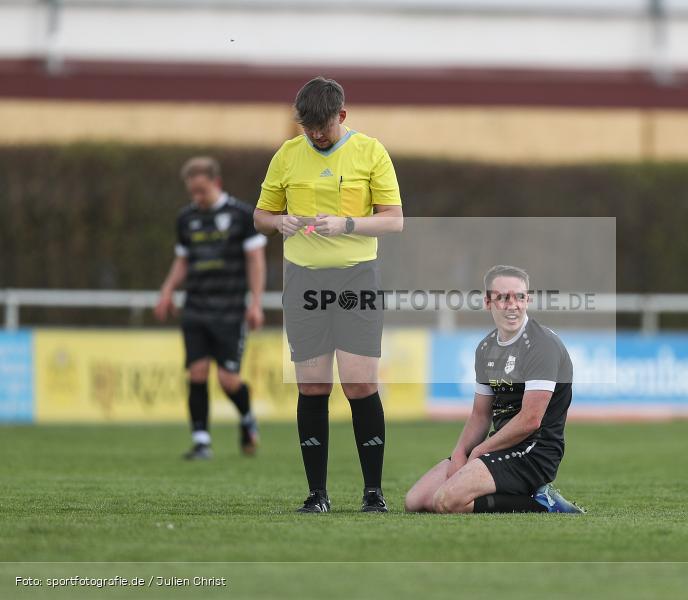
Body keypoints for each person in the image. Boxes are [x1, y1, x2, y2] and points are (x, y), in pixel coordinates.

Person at [253, 76, 403, 513]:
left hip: (357, 280)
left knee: (359, 383)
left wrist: (348, 224)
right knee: (313, 385)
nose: (315, 135)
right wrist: (276, 223)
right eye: (307, 127)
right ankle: (317, 494)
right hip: (304, 282)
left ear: (342, 116)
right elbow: (261, 214)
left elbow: (394, 219)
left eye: (323, 126)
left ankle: (373, 493)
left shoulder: (370, 151)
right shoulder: (286, 155)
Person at [405, 265, 584, 514]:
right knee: (416, 501)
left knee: (446, 502)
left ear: (528, 300)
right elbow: (480, 414)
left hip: (534, 452)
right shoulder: (486, 347)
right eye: (503, 297)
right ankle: (507, 487)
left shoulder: (541, 345)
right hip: (500, 447)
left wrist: (479, 451)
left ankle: (542, 503)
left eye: (520, 296)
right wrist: (460, 453)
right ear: (488, 301)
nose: (513, 304)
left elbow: (531, 420)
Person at [154, 156, 266, 460]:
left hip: (230, 309)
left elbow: (255, 260)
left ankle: (246, 418)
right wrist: (167, 290)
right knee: (197, 372)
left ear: (216, 183)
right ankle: (201, 441)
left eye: (202, 191)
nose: (197, 198)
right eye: (192, 192)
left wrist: (255, 303)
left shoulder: (242, 215)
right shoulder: (186, 219)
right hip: (196, 307)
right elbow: (182, 260)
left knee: (228, 380)